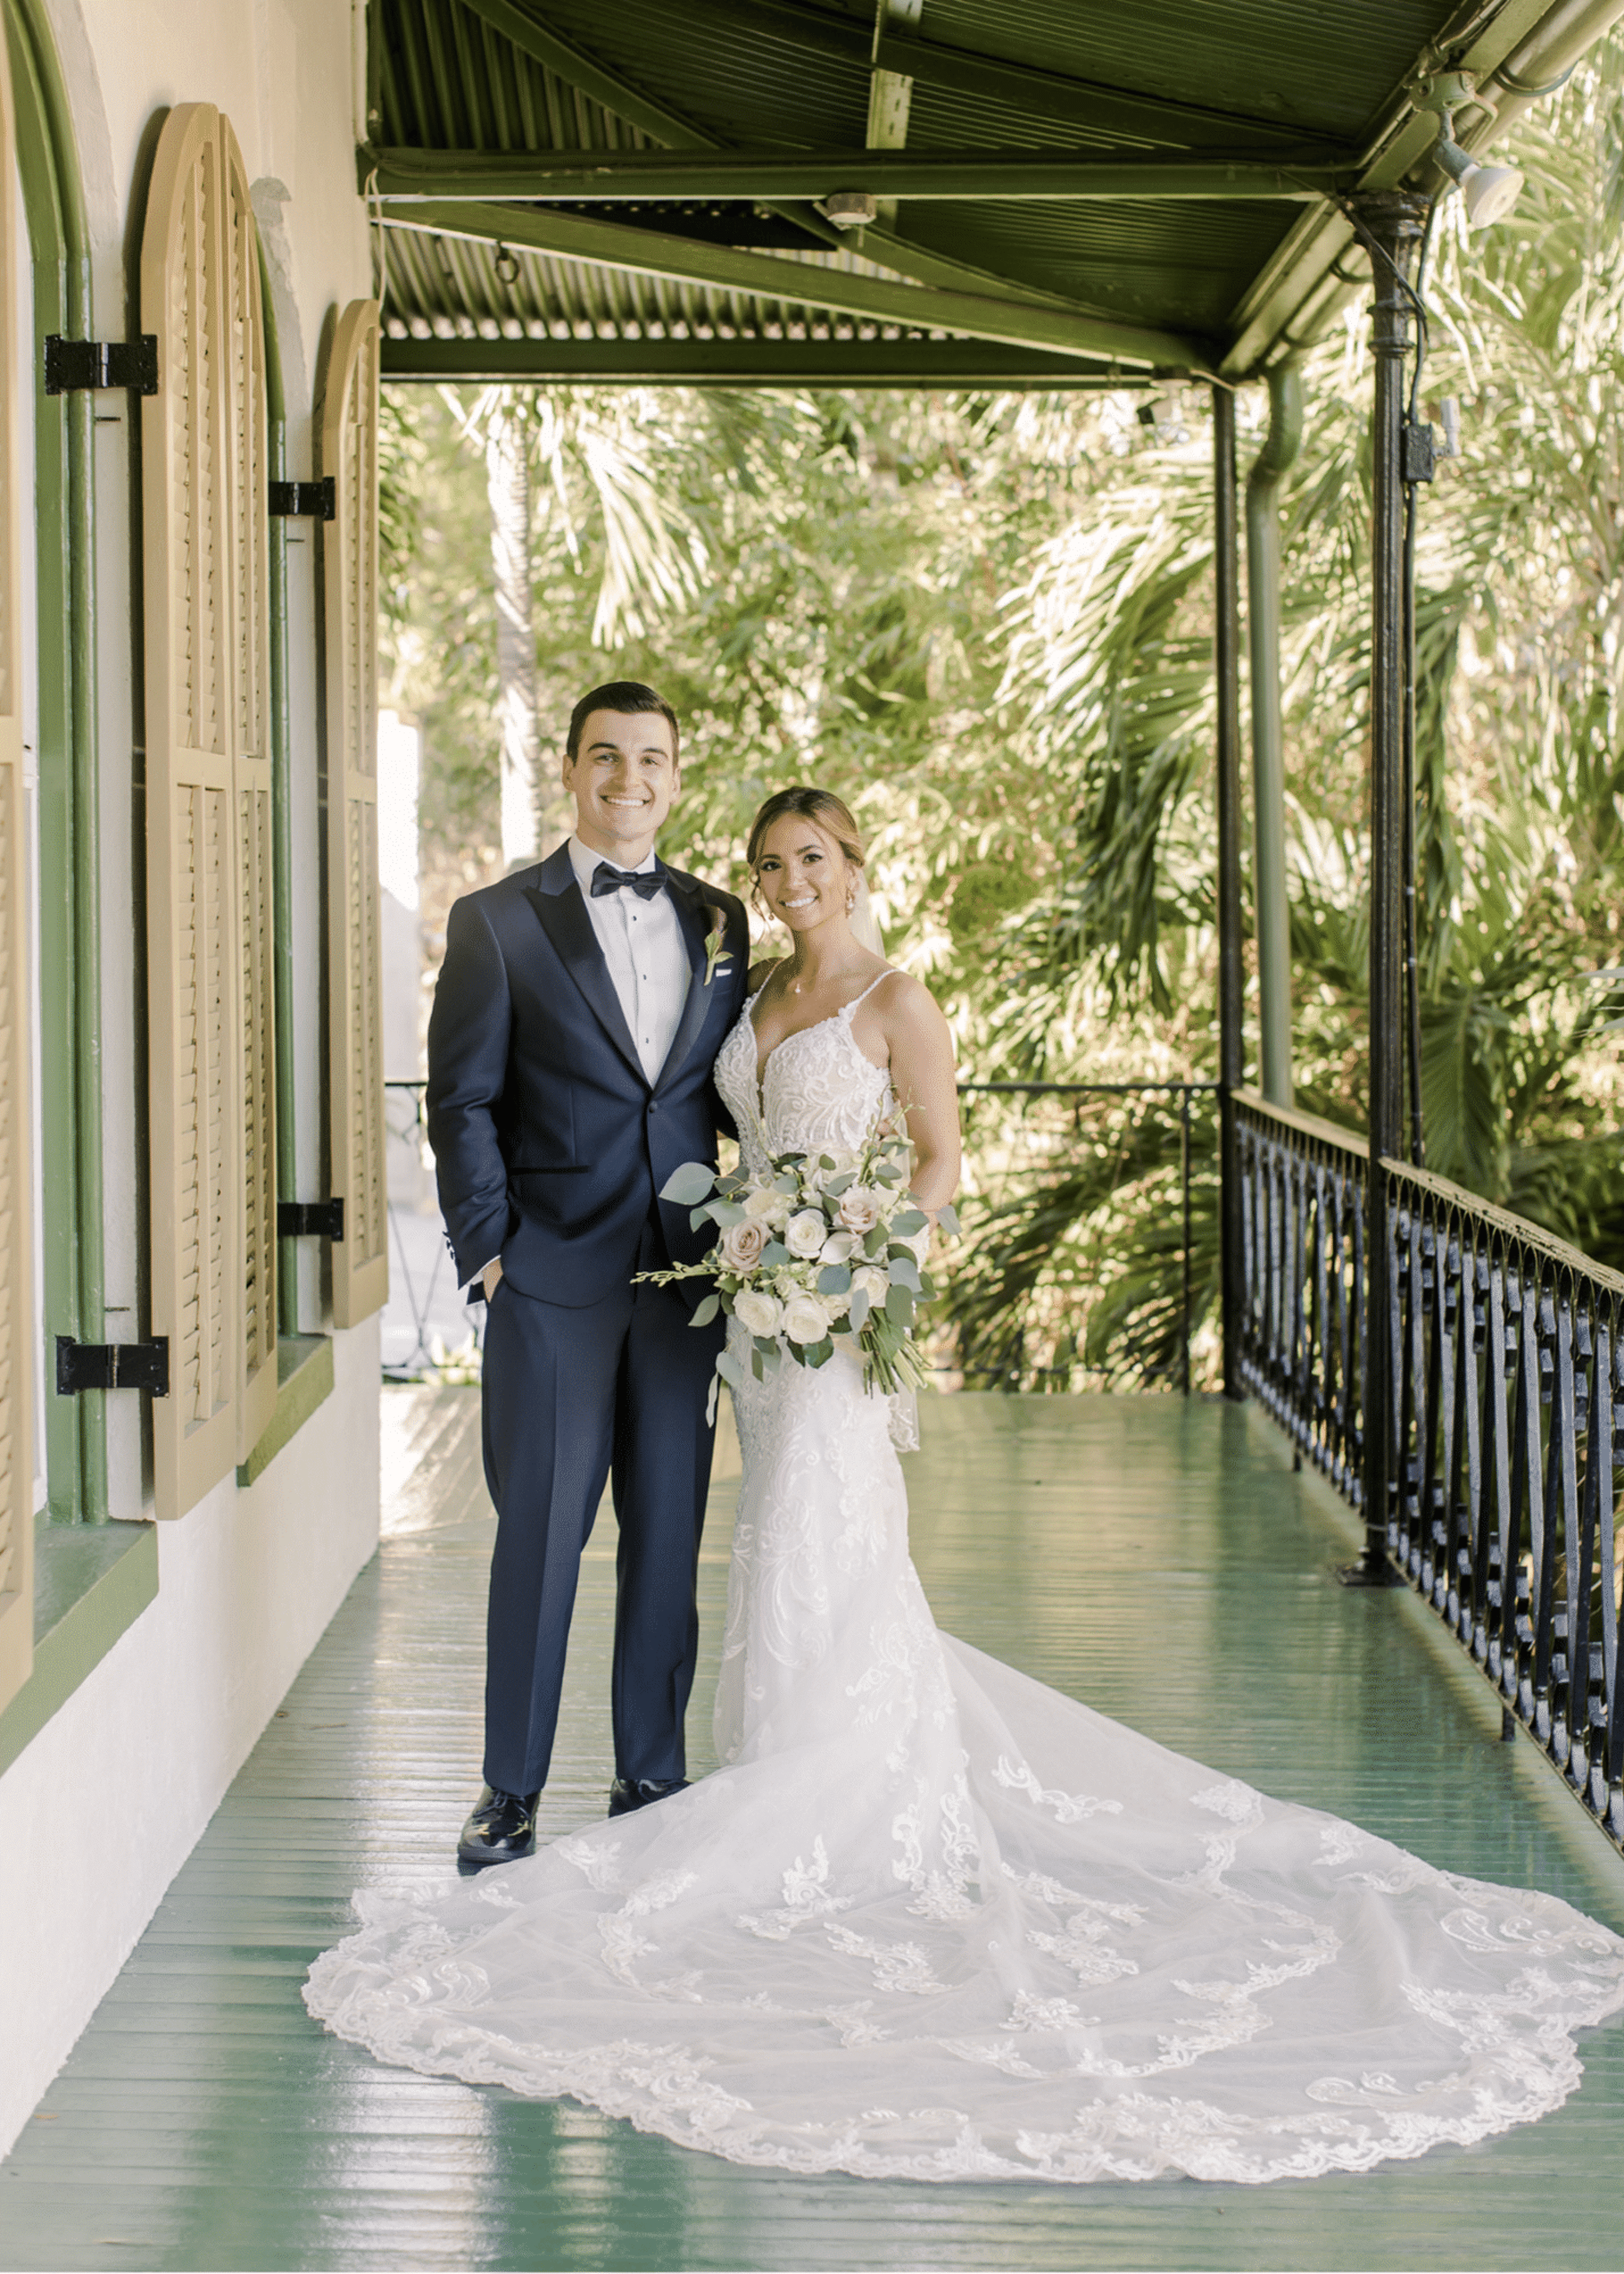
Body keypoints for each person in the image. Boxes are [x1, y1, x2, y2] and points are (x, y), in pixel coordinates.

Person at [310, 786, 1624, 2186]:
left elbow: (938, 1163)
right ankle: (731, 1775)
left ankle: (827, 1798)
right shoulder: (735, 975)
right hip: (744, 1317)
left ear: (854, 862)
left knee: (819, 1532)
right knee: (756, 1543)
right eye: (769, 863)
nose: (787, 879)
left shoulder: (896, 994)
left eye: (808, 858)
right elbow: (660, 1117)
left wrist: (855, 1261)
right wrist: (728, 1255)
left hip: (827, 1315)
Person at [422, 681, 748, 1872]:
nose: (629, 781)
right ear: (571, 769)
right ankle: (509, 1791)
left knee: (669, 1534)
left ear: (676, 774)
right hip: (550, 1282)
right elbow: (459, 1098)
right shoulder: (497, 921)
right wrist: (491, 1250)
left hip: (687, 1289)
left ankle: (650, 1775)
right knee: (541, 1539)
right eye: (606, 758)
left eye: (651, 760)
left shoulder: (724, 924)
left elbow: (725, 1096)